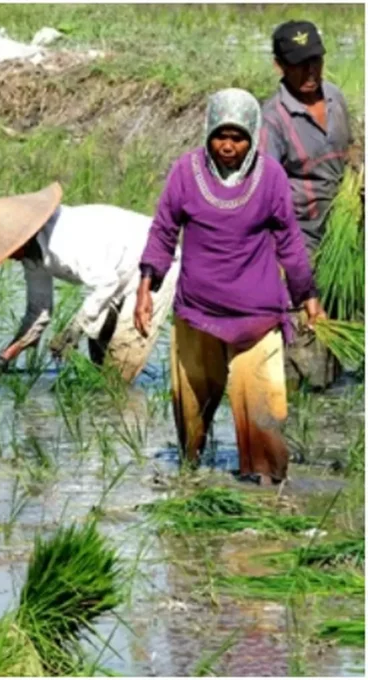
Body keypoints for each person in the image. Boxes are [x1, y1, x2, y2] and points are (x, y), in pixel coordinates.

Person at [135, 88, 326, 486]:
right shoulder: (185, 172)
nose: (227, 146)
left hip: (256, 317)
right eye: (220, 136)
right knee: (190, 410)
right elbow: (164, 229)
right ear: (207, 132)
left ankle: (267, 492)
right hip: (197, 313)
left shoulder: (270, 177)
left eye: (237, 138)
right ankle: (190, 480)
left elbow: (289, 240)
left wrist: (307, 295)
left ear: (252, 137)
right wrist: (145, 289)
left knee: (262, 410)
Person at [0, 182, 181, 384]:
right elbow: (38, 311)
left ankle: (127, 404)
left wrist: (74, 330)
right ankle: (104, 407)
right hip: (115, 273)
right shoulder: (32, 255)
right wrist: (5, 358)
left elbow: (107, 282)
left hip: (154, 262)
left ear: (22, 237)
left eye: (8, 249)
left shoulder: (64, 242)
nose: (8, 257)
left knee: (119, 372)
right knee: (99, 363)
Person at [260, 20, 354, 389]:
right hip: (303, 245)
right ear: (279, 65)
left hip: (345, 239)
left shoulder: (336, 98)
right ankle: (301, 409)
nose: (310, 71)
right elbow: (266, 198)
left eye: (316, 60)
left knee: (342, 331)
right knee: (305, 344)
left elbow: (351, 150)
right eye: (300, 64)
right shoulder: (272, 121)